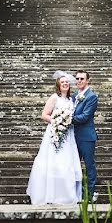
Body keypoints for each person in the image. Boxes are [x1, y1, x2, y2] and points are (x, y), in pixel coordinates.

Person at [26, 71, 82, 205]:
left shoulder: (71, 100)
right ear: (58, 85)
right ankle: (49, 194)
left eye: (67, 82)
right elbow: (44, 115)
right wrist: (57, 121)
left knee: (66, 162)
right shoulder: (54, 98)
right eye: (62, 82)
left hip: (68, 134)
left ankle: (66, 195)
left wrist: (66, 121)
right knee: (53, 161)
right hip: (54, 132)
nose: (65, 84)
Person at [73, 70, 99, 202]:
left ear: (88, 80)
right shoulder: (74, 95)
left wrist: (66, 119)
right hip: (73, 137)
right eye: (77, 78)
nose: (79, 81)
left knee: (89, 165)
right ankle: (77, 193)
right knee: (73, 166)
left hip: (87, 137)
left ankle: (90, 194)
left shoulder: (91, 96)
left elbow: (85, 116)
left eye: (82, 78)